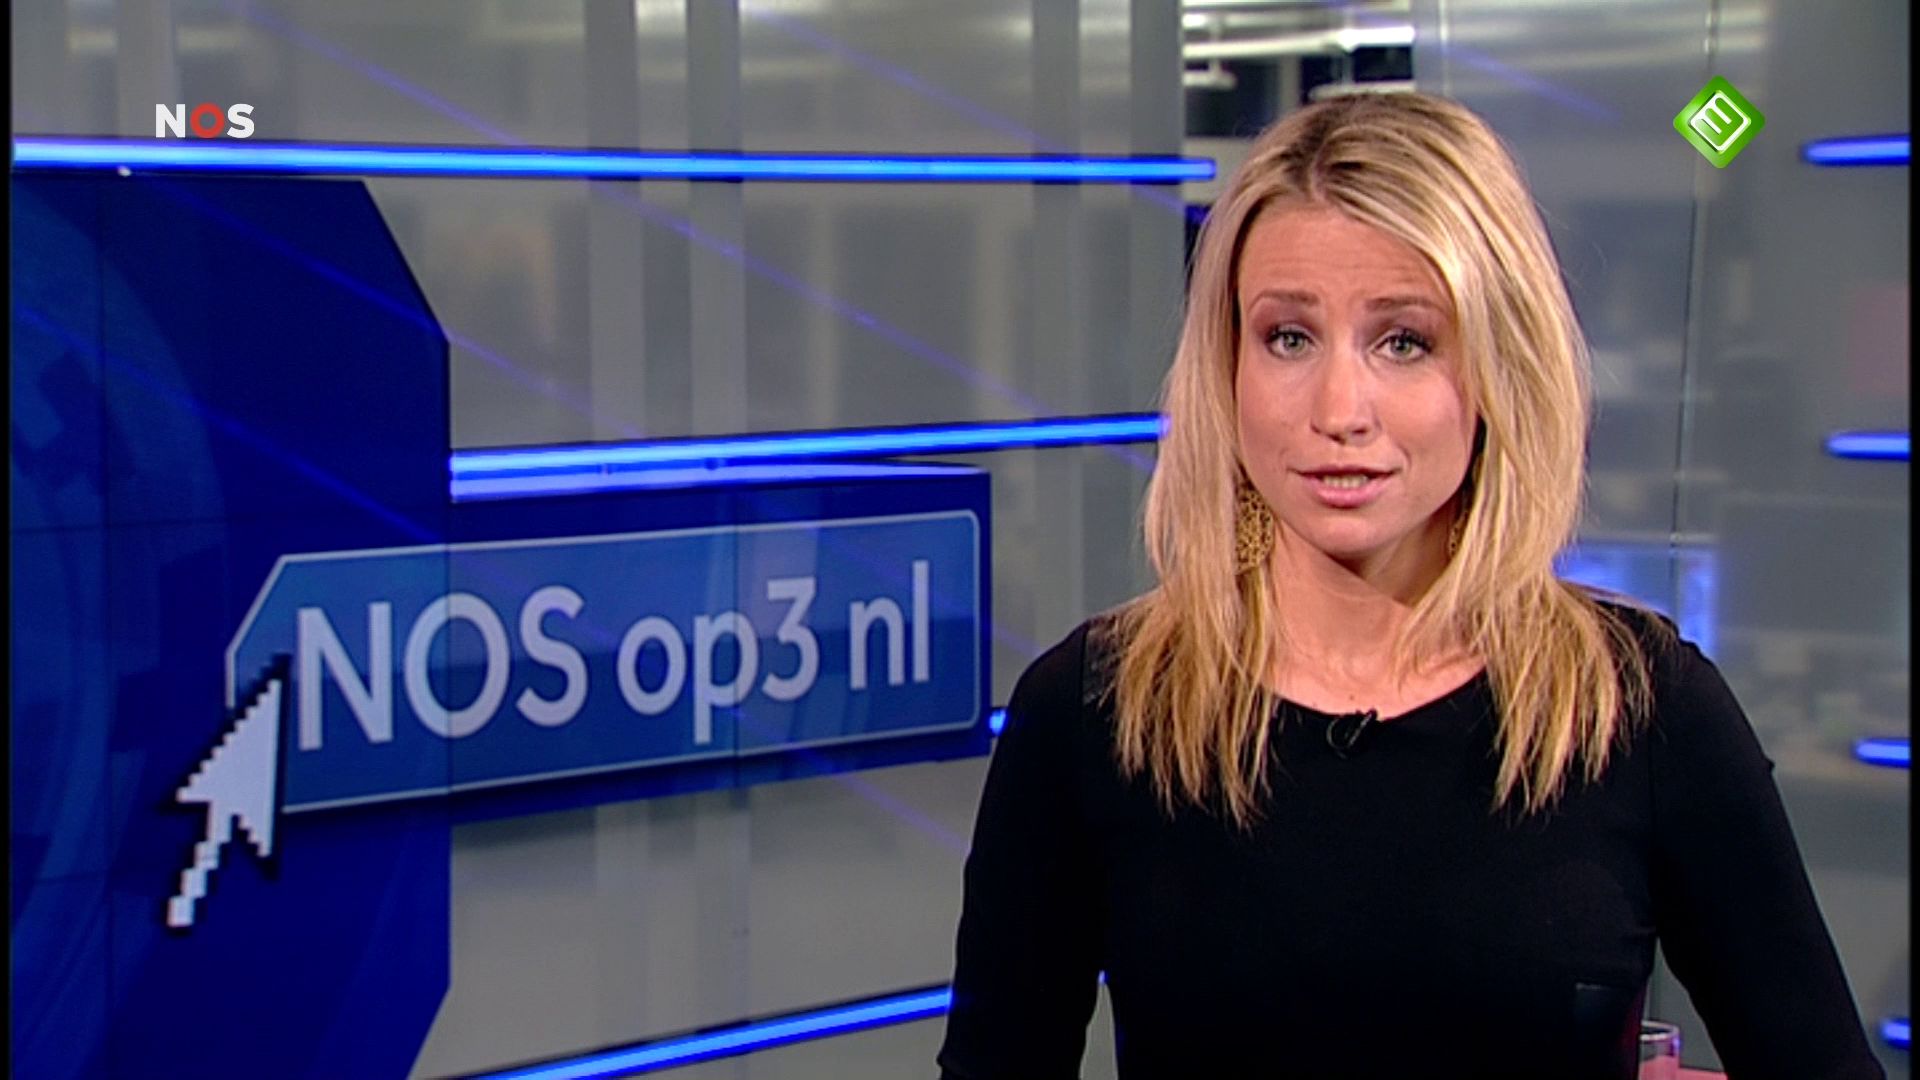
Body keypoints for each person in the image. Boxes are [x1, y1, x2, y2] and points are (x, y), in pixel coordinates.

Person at [936, 92, 1884, 1080]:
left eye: (1405, 342)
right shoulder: (1093, 713)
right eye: (1288, 337)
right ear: (1225, 367)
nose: (1340, 409)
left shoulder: (1640, 710)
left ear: (1500, 369)